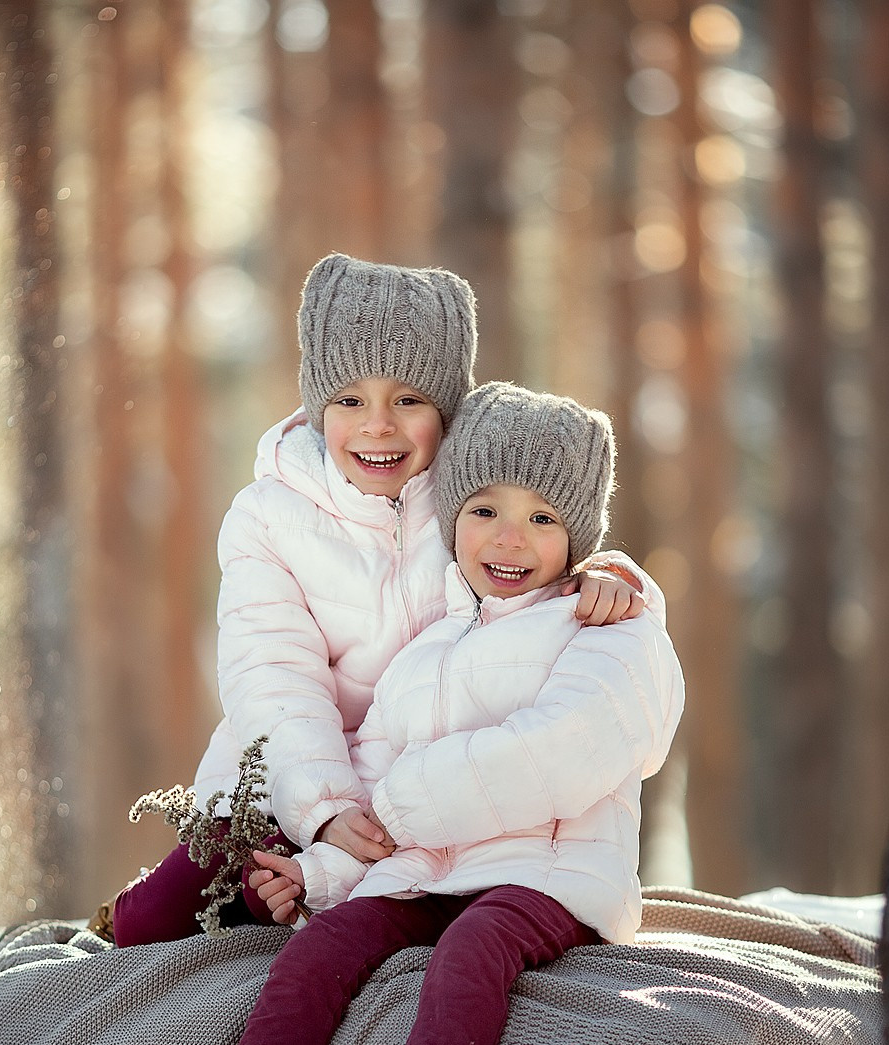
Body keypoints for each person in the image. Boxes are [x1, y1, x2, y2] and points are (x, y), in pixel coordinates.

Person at [126, 382, 685, 1045]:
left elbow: (564, 749)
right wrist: (320, 872)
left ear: (581, 533)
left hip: (545, 872)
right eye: (485, 510)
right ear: (451, 516)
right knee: (327, 943)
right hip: (428, 867)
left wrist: (404, 803)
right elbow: (375, 788)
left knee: (476, 943)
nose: (508, 538)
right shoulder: (425, 652)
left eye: (542, 518)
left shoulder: (608, 626)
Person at [110, 255, 650, 946]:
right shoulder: (268, 517)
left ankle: (295, 893)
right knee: (153, 922)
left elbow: (549, 540)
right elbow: (272, 676)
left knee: (369, 908)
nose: (378, 426)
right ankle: (214, 892)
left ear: (448, 410)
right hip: (291, 777)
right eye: (350, 401)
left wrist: (607, 573)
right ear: (316, 405)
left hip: (418, 792)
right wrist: (323, 811)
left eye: (409, 400)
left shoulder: (475, 504)